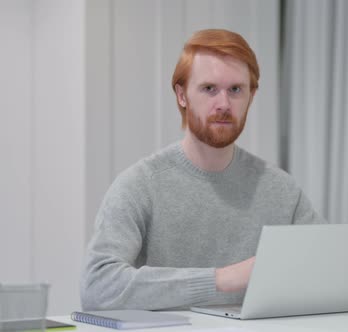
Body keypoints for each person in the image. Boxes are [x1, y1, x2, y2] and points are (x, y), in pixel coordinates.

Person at [80, 29, 325, 311]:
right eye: (209, 89)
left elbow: (326, 269)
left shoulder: (281, 190)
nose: (223, 104)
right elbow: (97, 287)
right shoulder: (140, 185)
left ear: (251, 95)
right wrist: (220, 279)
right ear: (182, 95)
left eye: (236, 90)